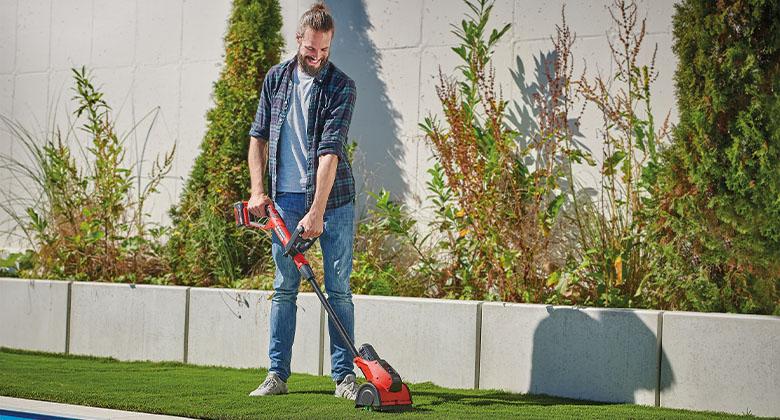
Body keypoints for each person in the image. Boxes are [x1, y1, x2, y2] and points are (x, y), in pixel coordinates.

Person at [245, 2, 358, 400]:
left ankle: (345, 378)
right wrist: (259, 191)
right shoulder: (276, 79)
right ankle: (277, 375)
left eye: (324, 51)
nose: (317, 58)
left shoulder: (341, 86)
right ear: (298, 40)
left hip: (334, 202)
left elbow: (330, 151)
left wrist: (317, 212)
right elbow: (258, 136)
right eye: (311, 51)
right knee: (284, 287)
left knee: (338, 288)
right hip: (285, 201)